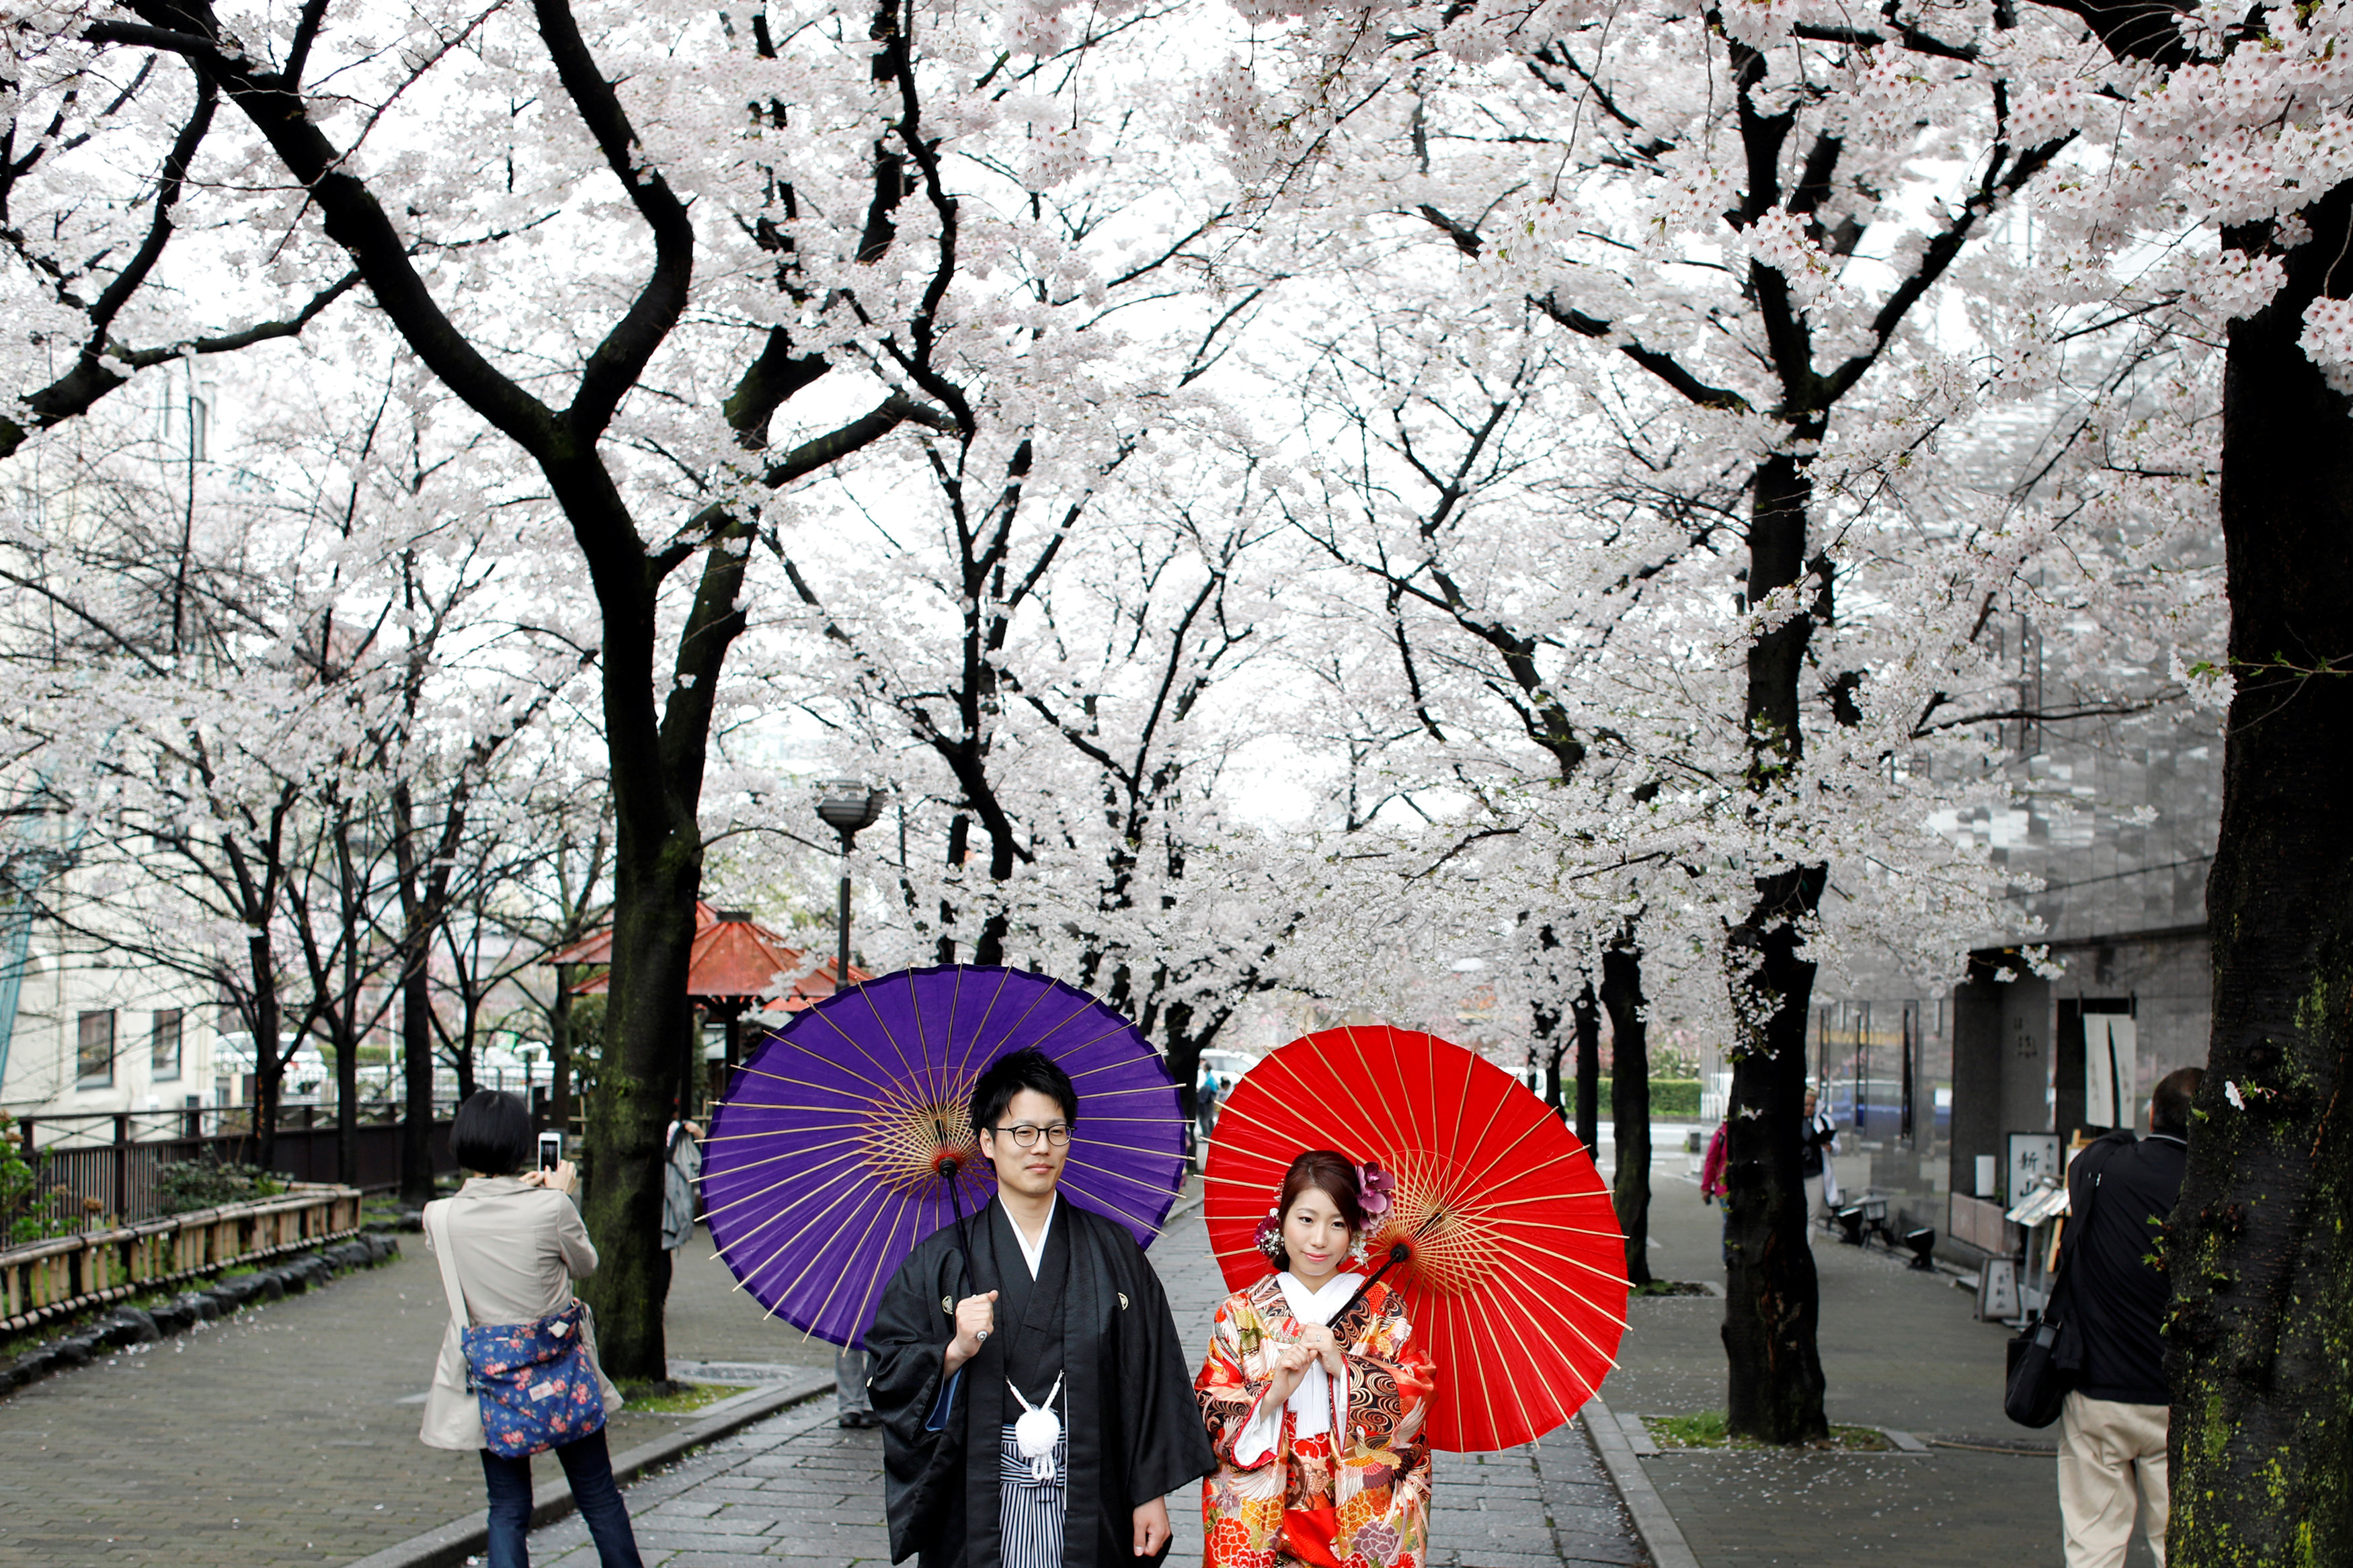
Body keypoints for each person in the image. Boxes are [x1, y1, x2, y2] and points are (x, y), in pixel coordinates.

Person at [866, 1047, 1216, 1567]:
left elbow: (1150, 1372)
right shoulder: (940, 1260)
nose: (1042, 1147)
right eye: (1022, 1132)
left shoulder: (1111, 1248)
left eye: (1056, 1131)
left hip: (1091, 1490)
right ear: (987, 1141)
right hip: (977, 1497)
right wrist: (953, 1350)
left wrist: (1150, 1491)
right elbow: (888, 1373)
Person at [420, 1090, 640, 1568]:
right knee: (598, 1495)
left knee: (507, 1507)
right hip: (558, 1371)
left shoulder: (439, 1215)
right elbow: (585, 1264)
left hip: (494, 1377)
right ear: (521, 1144)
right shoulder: (550, 1208)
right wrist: (559, 1197)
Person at [1197, 1150, 1437, 1568]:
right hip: (1266, 1505)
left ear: (1357, 1230)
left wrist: (1345, 1369)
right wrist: (1271, 1395)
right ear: (1282, 1217)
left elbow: (1416, 1393)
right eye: (1306, 1219)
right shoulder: (1241, 1311)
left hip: (1358, 1506)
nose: (1320, 1239)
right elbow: (1208, 1404)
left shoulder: (1383, 1309)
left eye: (1338, 1223)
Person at [2054, 1065, 2202, 1568]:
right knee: (2178, 1542)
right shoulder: (2220, 1192)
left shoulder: (2103, 1168)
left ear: (2153, 1114)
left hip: (2098, 1388)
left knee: (2093, 1541)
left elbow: (2098, 1146)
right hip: (2178, 1400)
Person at [1802, 1088, 1841, 1214]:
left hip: (1816, 1173)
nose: (1809, 1108)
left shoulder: (1824, 1122)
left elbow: (1837, 1147)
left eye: (1812, 1105)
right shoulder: (1792, 1121)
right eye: (1806, 1105)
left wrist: (1830, 1147)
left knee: (1812, 1215)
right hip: (1797, 1173)